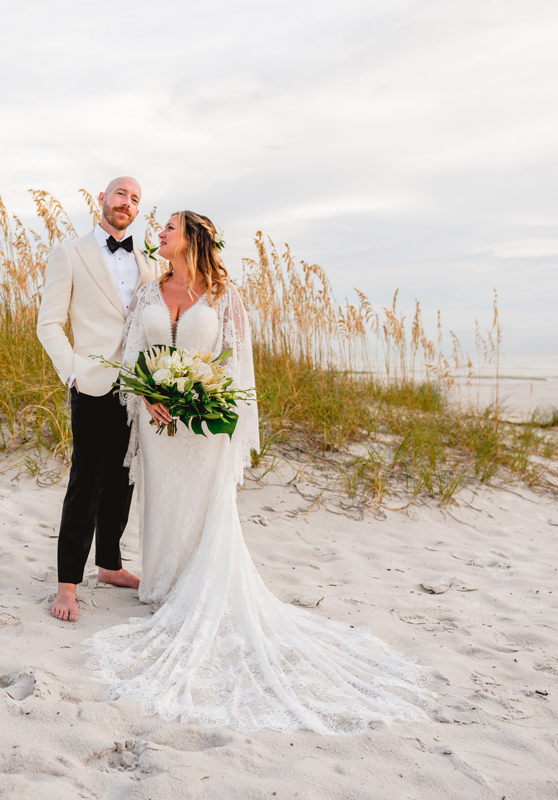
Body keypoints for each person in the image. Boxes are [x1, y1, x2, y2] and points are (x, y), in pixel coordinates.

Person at [83, 211, 433, 734]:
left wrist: (201, 402)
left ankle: (195, 590)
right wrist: (148, 397)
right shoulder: (148, 293)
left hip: (202, 428)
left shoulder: (226, 294)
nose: (159, 234)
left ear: (193, 240)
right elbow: (133, 356)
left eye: (169, 228)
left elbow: (235, 365)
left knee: (203, 507)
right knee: (161, 501)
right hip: (158, 427)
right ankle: (161, 585)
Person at [36, 176, 160, 622]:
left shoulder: (147, 263)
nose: (127, 203)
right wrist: (71, 371)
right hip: (90, 382)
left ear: (138, 211)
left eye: (135, 199)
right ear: (101, 200)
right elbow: (48, 323)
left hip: (136, 388)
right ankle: (67, 583)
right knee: (86, 481)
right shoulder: (70, 253)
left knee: (123, 481)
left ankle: (109, 565)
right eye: (121, 194)